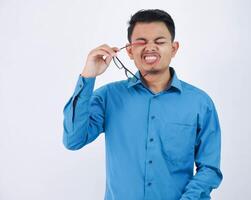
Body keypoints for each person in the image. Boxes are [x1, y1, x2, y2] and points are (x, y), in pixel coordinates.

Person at [63, 9, 223, 200]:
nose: (150, 48)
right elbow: (73, 140)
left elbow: (209, 168)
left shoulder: (199, 103)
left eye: (159, 41)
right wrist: (88, 75)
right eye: (141, 42)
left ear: (174, 48)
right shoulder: (108, 97)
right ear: (129, 51)